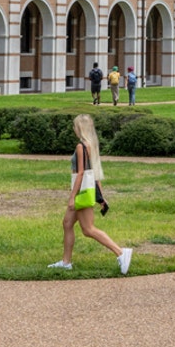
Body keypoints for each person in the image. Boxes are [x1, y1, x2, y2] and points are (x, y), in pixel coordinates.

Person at [48, 114, 132, 274]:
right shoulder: (91, 145)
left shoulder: (81, 146)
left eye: (75, 126)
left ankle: (121, 252)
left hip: (82, 192)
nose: (73, 129)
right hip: (87, 190)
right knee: (67, 224)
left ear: (79, 129)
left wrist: (72, 196)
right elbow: (94, 173)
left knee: (88, 229)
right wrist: (100, 196)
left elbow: (81, 173)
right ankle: (66, 262)